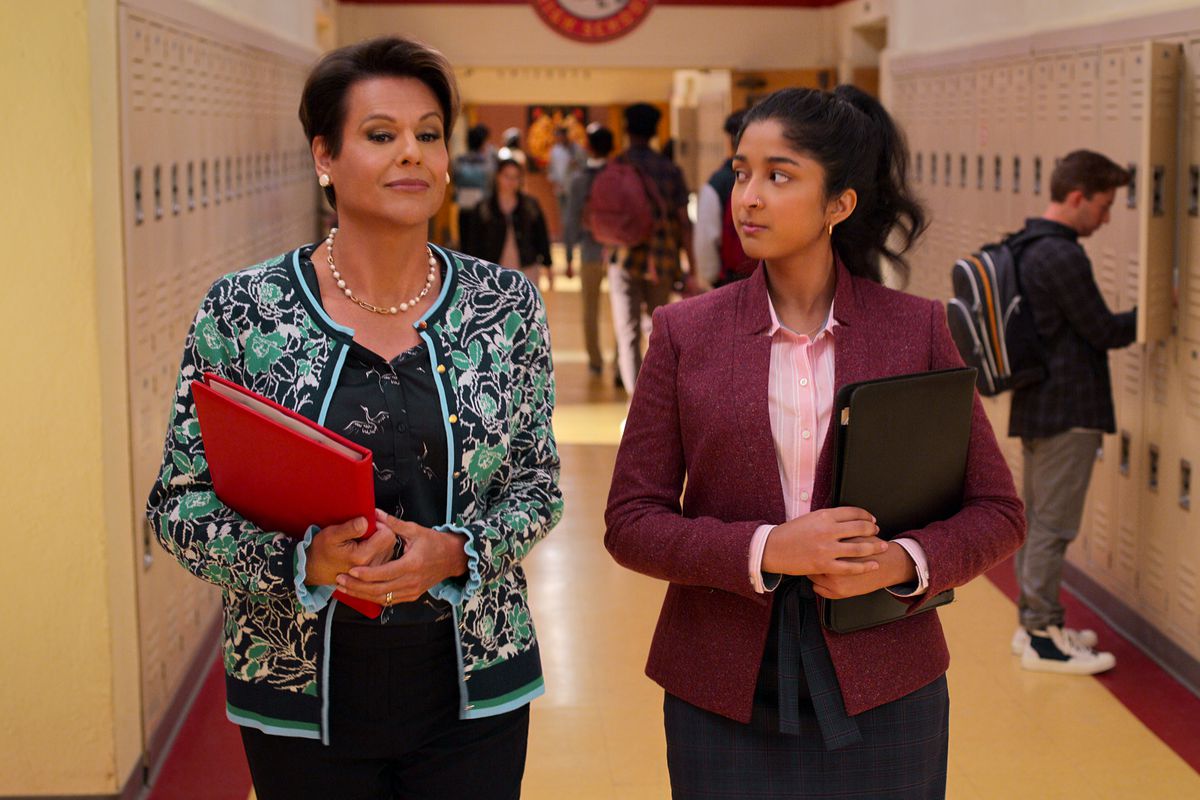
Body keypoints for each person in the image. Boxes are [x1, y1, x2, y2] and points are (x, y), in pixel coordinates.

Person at [146, 36, 562, 800]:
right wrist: (300, 563)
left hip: (474, 685)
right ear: (324, 156)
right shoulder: (244, 312)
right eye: (381, 135)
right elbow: (178, 507)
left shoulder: (504, 308)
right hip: (299, 696)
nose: (412, 153)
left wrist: (455, 553)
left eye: (428, 134)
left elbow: (539, 486)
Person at [604, 86, 1025, 798]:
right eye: (741, 172)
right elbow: (631, 522)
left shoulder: (914, 330)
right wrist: (767, 549)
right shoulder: (685, 334)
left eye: (780, 174)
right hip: (720, 684)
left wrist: (902, 561)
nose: (749, 198)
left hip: (888, 682)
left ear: (839, 204)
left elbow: (997, 511)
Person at [1008, 150, 1134, 675]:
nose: (1106, 219)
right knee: (1053, 526)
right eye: (1104, 206)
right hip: (1068, 408)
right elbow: (1102, 331)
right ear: (1077, 197)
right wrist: (1156, 311)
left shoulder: (1024, 244)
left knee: (1039, 521)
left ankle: (1034, 623)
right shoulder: (1062, 255)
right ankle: (1043, 636)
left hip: (1037, 403)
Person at [608, 102, 695, 392]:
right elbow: (684, 222)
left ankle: (635, 404)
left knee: (627, 331)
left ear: (627, 130)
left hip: (623, 258)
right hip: (663, 259)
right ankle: (654, 401)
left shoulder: (617, 167)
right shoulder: (669, 170)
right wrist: (692, 267)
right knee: (657, 331)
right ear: (656, 131)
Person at [562, 122, 615, 376]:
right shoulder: (619, 176)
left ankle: (595, 360)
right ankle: (620, 363)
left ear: (589, 147)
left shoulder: (580, 179)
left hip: (590, 250)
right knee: (621, 310)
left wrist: (570, 255)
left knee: (590, 308)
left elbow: (572, 218)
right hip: (618, 251)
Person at [458, 158, 552, 288]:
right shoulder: (484, 207)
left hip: (527, 267)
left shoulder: (530, 205)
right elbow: (474, 242)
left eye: (515, 177)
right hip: (492, 271)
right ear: (498, 177)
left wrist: (548, 265)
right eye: (507, 176)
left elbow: (542, 236)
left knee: (526, 305)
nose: (511, 182)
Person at [695, 109, 753, 288]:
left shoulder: (718, 182)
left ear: (729, 140)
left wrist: (712, 278)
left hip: (733, 279)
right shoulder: (777, 178)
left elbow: (706, 238)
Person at [451, 122, 493, 212]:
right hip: (483, 207)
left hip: (462, 205)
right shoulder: (488, 163)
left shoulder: (459, 161)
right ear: (483, 143)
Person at [547, 125, 583, 223]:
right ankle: (566, 234)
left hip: (572, 186)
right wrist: (555, 181)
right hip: (559, 186)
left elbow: (583, 165)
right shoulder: (554, 150)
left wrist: (576, 164)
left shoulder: (575, 148)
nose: (558, 138)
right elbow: (551, 168)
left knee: (573, 212)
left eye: (560, 135)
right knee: (563, 213)